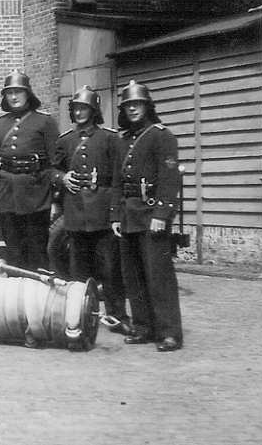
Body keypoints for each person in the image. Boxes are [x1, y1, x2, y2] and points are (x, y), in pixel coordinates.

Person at [109, 80, 183, 352]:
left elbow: (169, 179)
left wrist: (162, 213)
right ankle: (143, 327)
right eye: (128, 105)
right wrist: (115, 216)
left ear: (147, 106)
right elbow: (117, 181)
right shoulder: (122, 140)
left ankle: (169, 332)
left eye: (137, 104)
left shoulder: (162, 136)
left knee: (158, 276)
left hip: (152, 214)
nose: (132, 109)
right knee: (134, 277)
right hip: (128, 216)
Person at [53, 85, 130, 334]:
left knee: (110, 269)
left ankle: (117, 315)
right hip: (75, 214)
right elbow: (51, 170)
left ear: (94, 110)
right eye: (76, 108)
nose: (79, 113)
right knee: (78, 271)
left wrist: (115, 213)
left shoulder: (110, 138)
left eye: (84, 108)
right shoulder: (66, 140)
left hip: (102, 214)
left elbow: (118, 178)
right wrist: (62, 178)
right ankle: (79, 316)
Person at [0, 70, 58, 271]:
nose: (14, 97)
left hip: (37, 198)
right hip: (7, 198)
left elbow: (56, 164)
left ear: (28, 94)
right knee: (13, 253)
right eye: (10, 92)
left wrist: (55, 201)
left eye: (18, 92)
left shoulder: (45, 122)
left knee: (37, 253)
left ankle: (38, 291)